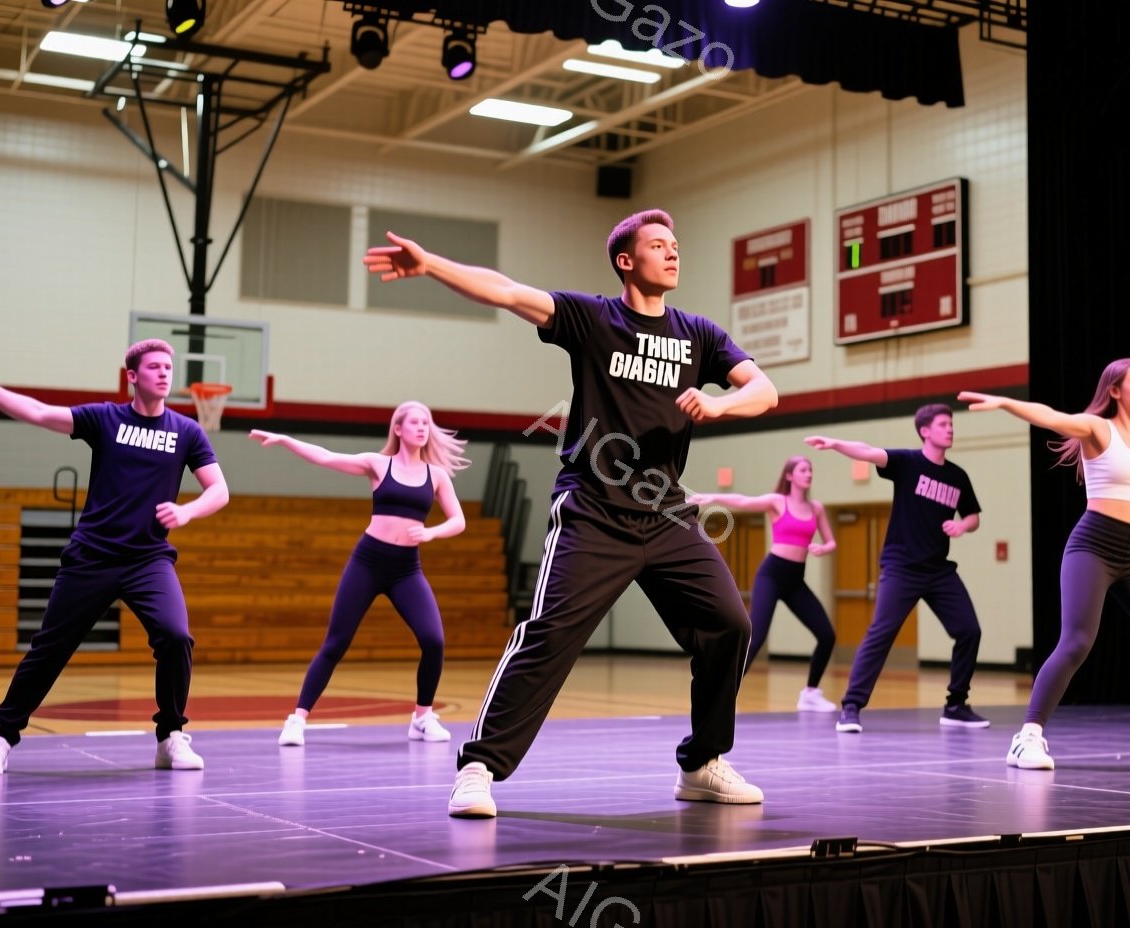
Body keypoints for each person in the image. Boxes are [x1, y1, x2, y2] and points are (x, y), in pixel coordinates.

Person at [364, 209, 778, 818]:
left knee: (731, 626)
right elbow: (505, 291)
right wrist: (430, 265)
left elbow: (764, 390)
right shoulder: (592, 318)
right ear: (625, 260)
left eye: (677, 245)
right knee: (549, 635)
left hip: (665, 513)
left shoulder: (700, 334)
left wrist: (722, 408)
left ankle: (701, 763)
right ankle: (478, 767)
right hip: (593, 509)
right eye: (658, 245)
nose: (673, 254)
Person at [0, 340, 228, 775]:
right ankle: (1, 739)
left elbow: (219, 491)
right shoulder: (104, 419)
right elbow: (38, 412)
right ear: (132, 376)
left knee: (176, 637)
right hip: (92, 556)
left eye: (168, 367)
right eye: (154, 366)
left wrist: (187, 510)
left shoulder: (186, 431)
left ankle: (170, 735)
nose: (164, 373)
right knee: (49, 649)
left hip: (148, 560)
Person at [959, 357, 1130, 770]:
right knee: (1076, 641)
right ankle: (1027, 737)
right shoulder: (1099, 429)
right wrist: (1007, 403)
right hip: (1092, 545)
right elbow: (1051, 416)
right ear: (1115, 390)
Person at [250, 401, 469, 747]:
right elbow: (325, 456)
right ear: (398, 429)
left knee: (434, 640)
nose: (421, 428)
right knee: (336, 643)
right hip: (368, 562)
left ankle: (422, 718)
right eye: (414, 422)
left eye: (426, 423)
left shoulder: (436, 475)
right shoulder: (377, 464)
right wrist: (285, 440)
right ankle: (297, 719)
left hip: (406, 569)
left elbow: (458, 520)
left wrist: (431, 533)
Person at [805, 403, 990, 733]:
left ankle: (956, 705)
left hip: (939, 571)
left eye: (952, 424)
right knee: (881, 633)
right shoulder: (907, 463)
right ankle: (851, 706)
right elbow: (867, 452)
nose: (950, 429)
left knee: (969, 631)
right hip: (902, 567)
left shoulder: (957, 475)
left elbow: (973, 515)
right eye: (944, 424)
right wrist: (835, 444)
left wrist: (964, 527)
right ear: (925, 431)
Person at [687, 456, 839, 712]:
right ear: (790, 476)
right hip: (772, 575)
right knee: (755, 637)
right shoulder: (777, 502)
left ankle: (810, 693)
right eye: (803, 470)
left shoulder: (817, 508)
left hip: (795, 580)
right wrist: (712, 496)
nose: (809, 474)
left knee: (827, 635)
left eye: (811, 469)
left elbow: (831, 541)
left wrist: (824, 548)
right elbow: (745, 501)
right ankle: (725, 694)